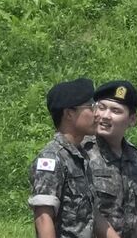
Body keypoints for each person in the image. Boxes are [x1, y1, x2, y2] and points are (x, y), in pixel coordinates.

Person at [31, 78, 108, 238]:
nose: (97, 113)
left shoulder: (80, 156)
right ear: (69, 114)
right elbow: (44, 219)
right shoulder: (52, 158)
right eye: (91, 107)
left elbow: (93, 216)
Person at [89, 80, 137, 238]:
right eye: (101, 108)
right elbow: (87, 212)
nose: (105, 116)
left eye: (115, 111)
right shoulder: (82, 152)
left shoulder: (133, 157)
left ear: (132, 119)